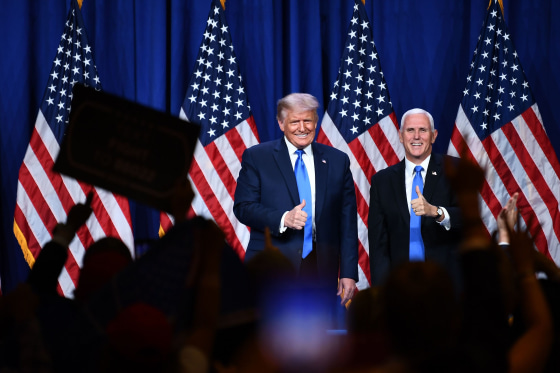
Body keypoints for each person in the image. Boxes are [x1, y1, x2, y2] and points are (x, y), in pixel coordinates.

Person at [233, 92, 359, 306]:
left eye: (308, 120)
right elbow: (244, 207)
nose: (302, 128)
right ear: (281, 123)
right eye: (295, 122)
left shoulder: (338, 161)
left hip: (321, 269)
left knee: (316, 336)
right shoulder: (257, 157)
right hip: (272, 265)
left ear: (316, 122)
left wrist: (348, 272)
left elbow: (347, 222)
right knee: (267, 336)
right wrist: (283, 219)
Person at [368, 108, 462, 286]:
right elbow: (378, 244)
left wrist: (437, 212)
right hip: (400, 285)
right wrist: (381, 293)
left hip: (445, 284)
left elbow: (469, 219)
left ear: (434, 136)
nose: (416, 136)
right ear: (401, 136)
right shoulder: (382, 181)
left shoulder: (455, 170)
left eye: (423, 130)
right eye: (410, 130)